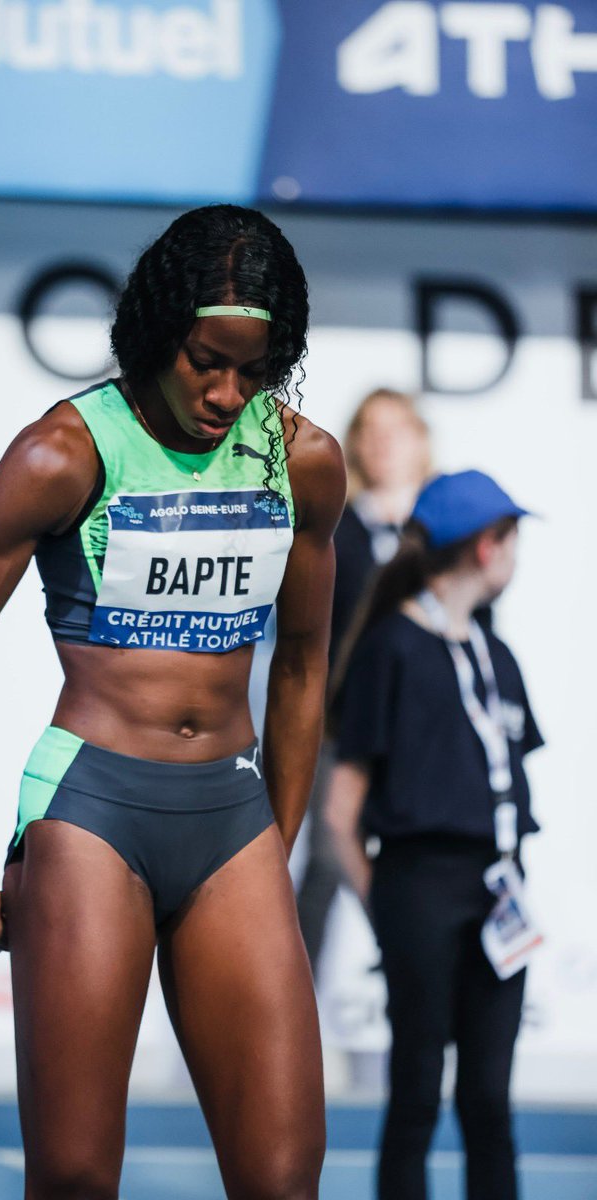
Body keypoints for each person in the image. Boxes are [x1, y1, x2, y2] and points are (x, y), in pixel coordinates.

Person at [0, 204, 346, 1200]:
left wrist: (272, 837)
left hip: (229, 819)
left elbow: (304, 663)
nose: (227, 393)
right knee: (72, 1176)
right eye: (203, 361)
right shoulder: (62, 453)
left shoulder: (300, 461)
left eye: (254, 368)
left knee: (283, 1179)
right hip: (92, 811)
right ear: (156, 333)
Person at [326, 470, 543, 1200]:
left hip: (498, 887)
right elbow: (340, 811)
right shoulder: (392, 649)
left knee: (488, 1100)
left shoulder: (496, 656)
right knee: (417, 1089)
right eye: (510, 539)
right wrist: (386, 902)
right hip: (418, 886)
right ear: (487, 548)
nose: (514, 556)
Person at [297, 388, 432, 972]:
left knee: (427, 862)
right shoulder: (335, 527)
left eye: (395, 428)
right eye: (369, 429)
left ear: (420, 440)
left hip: (423, 733)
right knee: (328, 861)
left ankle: (422, 979)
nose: (381, 442)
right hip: (342, 730)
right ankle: (292, 1002)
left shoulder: (441, 528)